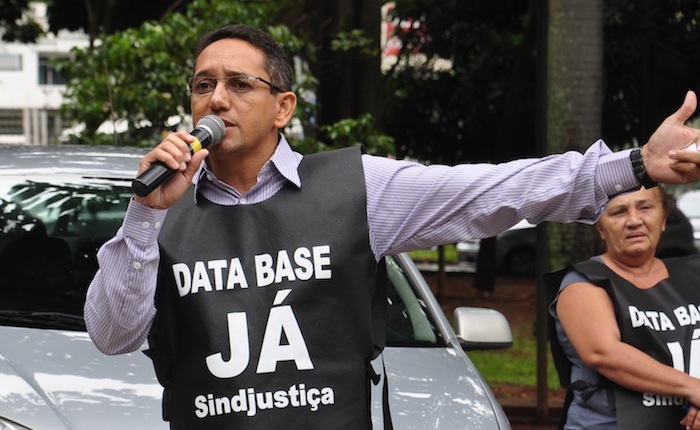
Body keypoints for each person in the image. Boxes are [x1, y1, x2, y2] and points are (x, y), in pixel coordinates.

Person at [84, 23, 700, 429]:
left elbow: (492, 191)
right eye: (204, 85)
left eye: (240, 84)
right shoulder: (159, 208)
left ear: (283, 107)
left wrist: (634, 165)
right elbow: (112, 335)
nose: (217, 99)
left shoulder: (355, 188)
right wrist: (145, 215)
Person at [547, 186, 700, 430]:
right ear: (601, 228)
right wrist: (692, 388)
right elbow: (604, 354)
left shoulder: (693, 274)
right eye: (619, 212)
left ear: (663, 219)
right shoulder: (582, 283)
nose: (634, 221)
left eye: (645, 207)